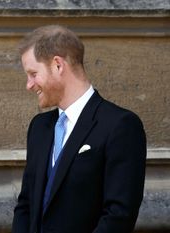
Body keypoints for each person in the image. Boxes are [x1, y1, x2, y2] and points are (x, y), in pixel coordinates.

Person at [12, 25, 147, 233]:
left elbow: (119, 216)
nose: (29, 85)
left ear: (58, 65)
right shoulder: (39, 127)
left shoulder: (120, 126)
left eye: (33, 73)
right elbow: (26, 206)